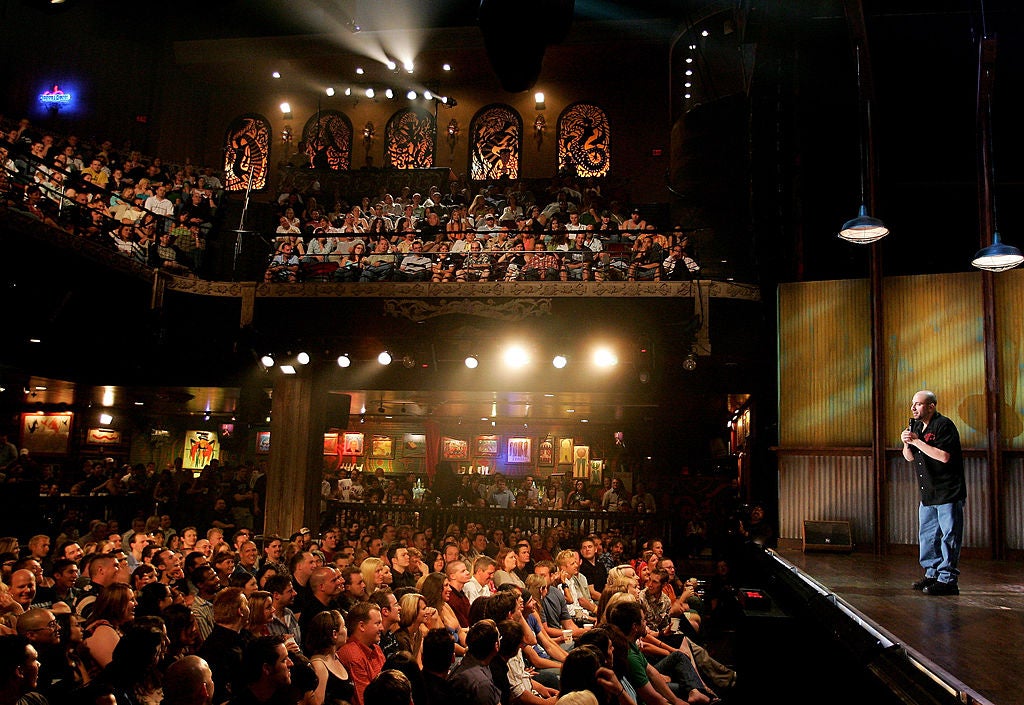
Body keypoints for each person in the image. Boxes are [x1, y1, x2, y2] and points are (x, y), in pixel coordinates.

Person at [901, 390, 966, 596]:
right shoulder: (917, 427)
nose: (913, 408)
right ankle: (932, 574)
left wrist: (918, 441)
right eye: (913, 404)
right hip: (928, 492)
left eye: (918, 404)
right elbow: (910, 458)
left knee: (949, 536)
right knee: (928, 536)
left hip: (947, 491)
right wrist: (906, 443)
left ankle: (947, 579)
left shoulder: (944, 425)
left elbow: (944, 456)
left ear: (931, 406)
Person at [336, 601, 386, 705]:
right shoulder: (353, 656)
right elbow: (363, 701)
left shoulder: (377, 649)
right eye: (378, 623)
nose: (382, 628)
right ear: (362, 626)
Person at [305, 610, 355, 705]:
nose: (346, 629)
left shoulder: (337, 657)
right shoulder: (319, 665)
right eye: (344, 626)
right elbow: (318, 703)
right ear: (334, 634)